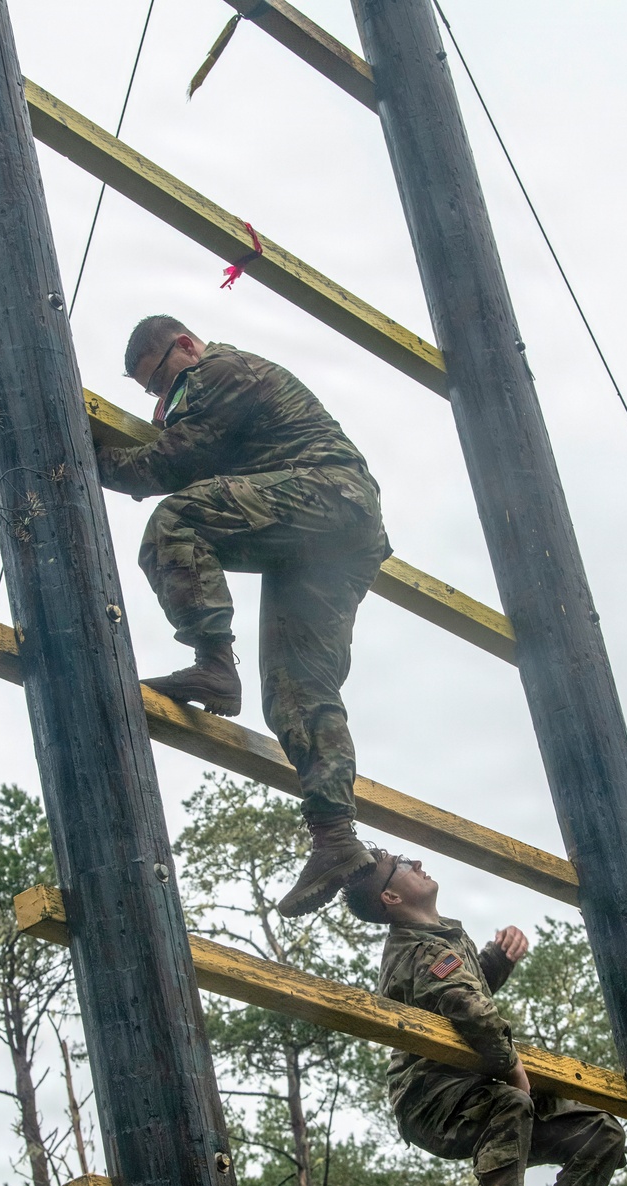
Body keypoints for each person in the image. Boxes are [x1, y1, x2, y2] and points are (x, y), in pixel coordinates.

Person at [94, 317, 390, 918]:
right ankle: (336, 837)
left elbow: (170, 468)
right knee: (297, 689)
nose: (161, 399)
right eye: (152, 394)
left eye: (161, 382)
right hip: (329, 539)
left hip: (328, 496)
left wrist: (79, 454)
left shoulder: (221, 371)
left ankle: (212, 663)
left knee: (176, 520)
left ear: (185, 346)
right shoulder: (204, 391)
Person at [343, 851, 627, 1186]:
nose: (416, 861)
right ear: (392, 895)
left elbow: (458, 989)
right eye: (402, 863)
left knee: (601, 1132)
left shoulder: (439, 940)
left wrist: (497, 960)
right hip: (432, 1101)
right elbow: (466, 1005)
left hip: (473, 1093)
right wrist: (513, 1069)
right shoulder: (419, 950)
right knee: (512, 1100)